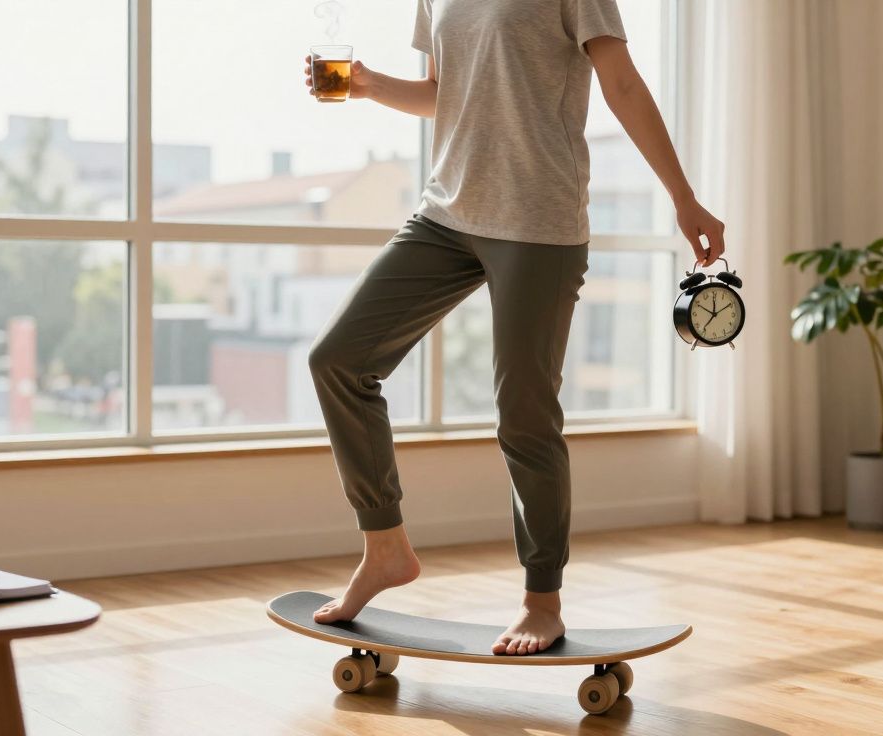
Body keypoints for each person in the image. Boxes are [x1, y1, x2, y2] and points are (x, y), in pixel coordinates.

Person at [302, 0, 725, 656]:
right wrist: (368, 85)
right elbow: (447, 95)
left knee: (524, 414)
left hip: (538, 222)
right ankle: (385, 548)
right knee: (339, 360)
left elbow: (621, 83)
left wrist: (683, 196)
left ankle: (542, 600)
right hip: (445, 214)